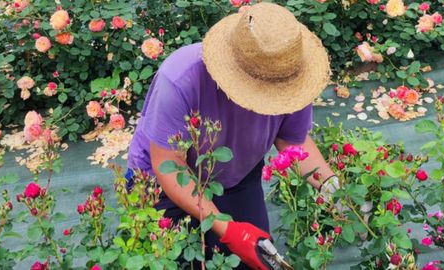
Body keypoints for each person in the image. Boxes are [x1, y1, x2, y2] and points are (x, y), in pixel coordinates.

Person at [127, 2, 339, 269]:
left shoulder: (292, 77)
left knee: (258, 259)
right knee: (172, 260)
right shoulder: (181, 78)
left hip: (235, 176)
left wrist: (335, 190)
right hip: (161, 184)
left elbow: (291, 141)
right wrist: (228, 230)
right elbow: (168, 166)